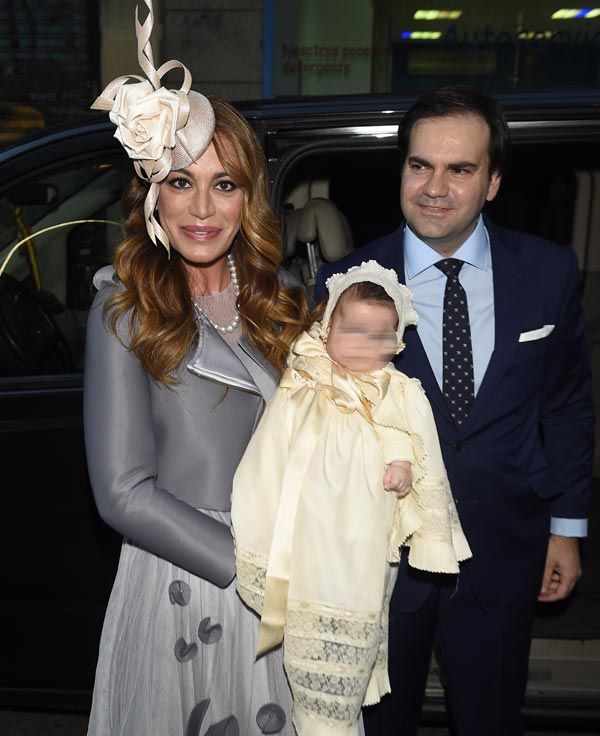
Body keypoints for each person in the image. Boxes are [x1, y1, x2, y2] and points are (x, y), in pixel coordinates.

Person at [316, 86, 595, 736]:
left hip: (503, 550)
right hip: (381, 567)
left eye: (459, 169)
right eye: (420, 166)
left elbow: (568, 406)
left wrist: (568, 529)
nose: (435, 187)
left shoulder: (550, 273)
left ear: (493, 181)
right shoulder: (349, 283)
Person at [83, 2, 309, 734]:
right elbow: (122, 494)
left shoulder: (285, 304)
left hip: (294, 580)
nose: (202, 208)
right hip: (187, 577)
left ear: (250, 198)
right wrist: (259, 569)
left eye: (225, 184)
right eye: (180, 182)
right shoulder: (124, 308)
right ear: (151, 192)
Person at [231, 260, 471, 736]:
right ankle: (313, 710)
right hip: (309, 525)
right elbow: (272, 446)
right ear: (326, 327)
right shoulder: (304, 378)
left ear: (396, 342)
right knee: (306, 612)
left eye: (378, 335)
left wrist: (402, 467)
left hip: (360, 532)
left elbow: (407, 437)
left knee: (355, 606)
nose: (364, 345)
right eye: (352, 330)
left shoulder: (396, 390)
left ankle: (331, 712)